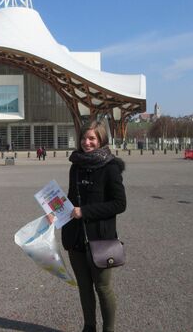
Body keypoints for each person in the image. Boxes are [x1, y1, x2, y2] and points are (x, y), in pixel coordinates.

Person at [61, 121, 126, 332]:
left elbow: (119, 204)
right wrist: (55, 214)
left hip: (101, 238)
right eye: (84, 138)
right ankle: (89, 327)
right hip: (76, 236)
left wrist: (85, 211)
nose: (87, 143)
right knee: (84, 287)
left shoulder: (110, 167)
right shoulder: (76, 166)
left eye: (92, 139)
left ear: (101, 140)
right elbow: (71, 199)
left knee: (103, 287)